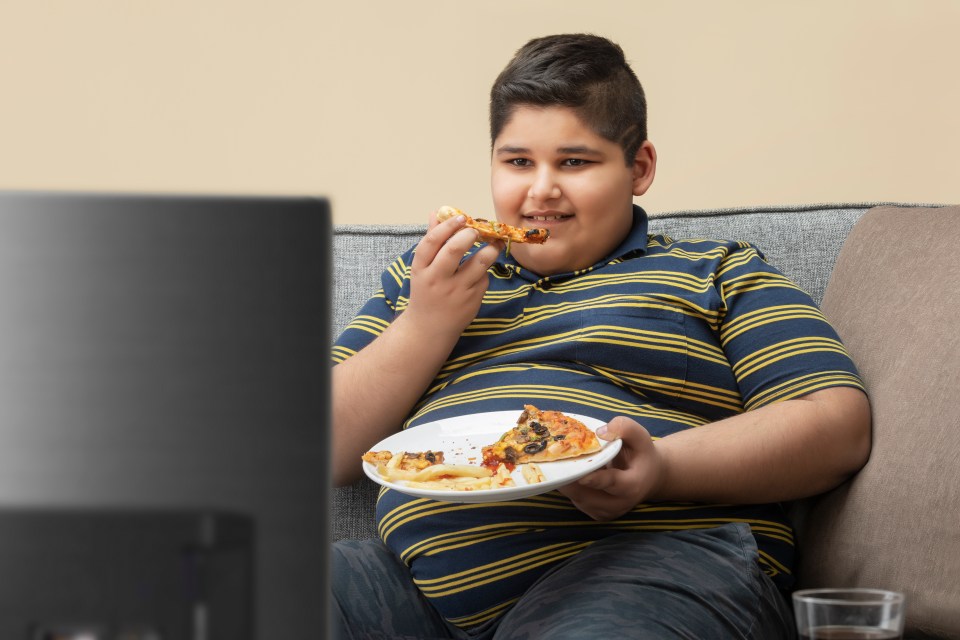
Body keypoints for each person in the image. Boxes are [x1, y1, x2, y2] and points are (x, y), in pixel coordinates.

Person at [331, 33, 871, 640]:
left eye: (574, 162)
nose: (540, 190)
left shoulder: (716, 270)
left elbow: (836, 424)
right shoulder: (428, 277)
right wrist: (425, 325)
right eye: (517, 162)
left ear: (638, 168)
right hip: (412, 596)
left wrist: (661, 467)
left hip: (652, 567)